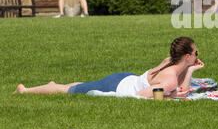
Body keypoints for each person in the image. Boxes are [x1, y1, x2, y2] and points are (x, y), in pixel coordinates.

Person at [14, 37, 204, 99]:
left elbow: (182, 89)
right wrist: (170, 95)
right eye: (195, 53)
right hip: (116, 86)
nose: (197, 56)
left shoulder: (170, 61)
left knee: (81, 85)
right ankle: (25, 90)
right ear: (187, 56)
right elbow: (143, 95)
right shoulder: (170, 78)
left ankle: (55, 85)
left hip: (125, 78)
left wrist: (190, 70)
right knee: (67, 90)